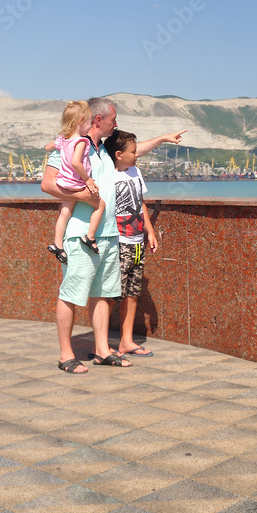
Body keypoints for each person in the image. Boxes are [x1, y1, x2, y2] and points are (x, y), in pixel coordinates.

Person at [40, 96, 185, 373]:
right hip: (81, 234)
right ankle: (65, 354)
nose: (115, 124)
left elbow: (135, 150)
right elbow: (47, 184)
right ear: (98, 120)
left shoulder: (104, 149)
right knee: (71, 294)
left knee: (103, 294)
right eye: (113, 120)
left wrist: (164, 138)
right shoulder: (70, 146)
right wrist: (82, 195)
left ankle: (102, 351)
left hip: (108, 234)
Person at [104, 129, 156, 357]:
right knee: (114, 295)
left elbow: (141, 203)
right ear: (118, 154)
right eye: (133, 152)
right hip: (119, 243)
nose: (136, 155)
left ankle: (126, 341)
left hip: (136, 243)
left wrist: (150, 232)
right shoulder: (108, 175)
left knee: (133, 294)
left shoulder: (134, 172)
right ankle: (102, 343)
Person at [46, 101, 106, 264]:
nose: (90, 126)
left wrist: (57, 144)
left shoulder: (63, 140)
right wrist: (88, 180)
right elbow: (76, 162)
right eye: (88, 122)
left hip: (64, 182)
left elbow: (47, 147)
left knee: (65, 212)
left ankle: (58, 243)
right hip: (77, 182)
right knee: (100, 206)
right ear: (80, 122)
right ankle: (90, 235)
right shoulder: (81, 141)